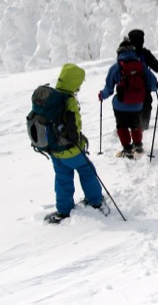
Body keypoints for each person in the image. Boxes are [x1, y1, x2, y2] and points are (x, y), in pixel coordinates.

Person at [44, 63, 106, 224]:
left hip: (53, 149)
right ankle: (95, 200)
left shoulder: (52, 97)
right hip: (70, 149)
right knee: (86, 169)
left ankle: (63, 210)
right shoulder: (68, 101)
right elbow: (74, 126)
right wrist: (80, 140)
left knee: (62, 177)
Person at [98, 38, 158, 158]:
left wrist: (101, 95)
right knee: (136, 124)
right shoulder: (141, 66)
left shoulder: (115, 68)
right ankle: (138, 145)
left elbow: (109, 89)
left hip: (120, 104)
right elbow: (154, 85)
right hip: (138, 104)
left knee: (122, 125)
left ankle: (127, 148)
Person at [127, 29, 158, 131]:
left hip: (127, 91)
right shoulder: (145, 53)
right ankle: (142, 129)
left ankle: (129, 129)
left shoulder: (125, 55)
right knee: (145, 114)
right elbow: (157, 67)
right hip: (144, 90)